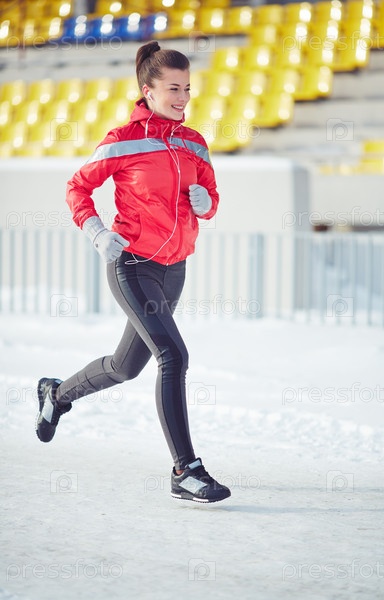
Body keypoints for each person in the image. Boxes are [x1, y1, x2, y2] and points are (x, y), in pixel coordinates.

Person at [35, 41, 231, 504]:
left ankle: (56, 395)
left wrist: (207, 202)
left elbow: (210, 198)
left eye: (187, 88)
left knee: (125, 368)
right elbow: (77, 187)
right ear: (149, 91)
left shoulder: (194, 142)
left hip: (174, 269)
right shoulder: (124, 139)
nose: (183, 97)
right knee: (173, 356)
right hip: (133, 265)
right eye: (173, 89)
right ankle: (185, 470)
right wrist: (96, 231)